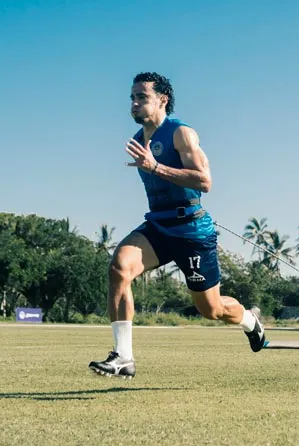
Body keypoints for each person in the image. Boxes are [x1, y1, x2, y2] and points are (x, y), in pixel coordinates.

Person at [88, 72, 266, 379]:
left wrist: (155, 166)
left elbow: (204, 181)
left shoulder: (181, 133)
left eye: (141, 97)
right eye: (131, 98)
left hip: (192, 231)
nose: (134, 103)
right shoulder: (137, 141)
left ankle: (250, 320)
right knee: (119, 267)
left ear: (162, 100)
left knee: (211, 310)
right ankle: (124, 357)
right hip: (159, 226)